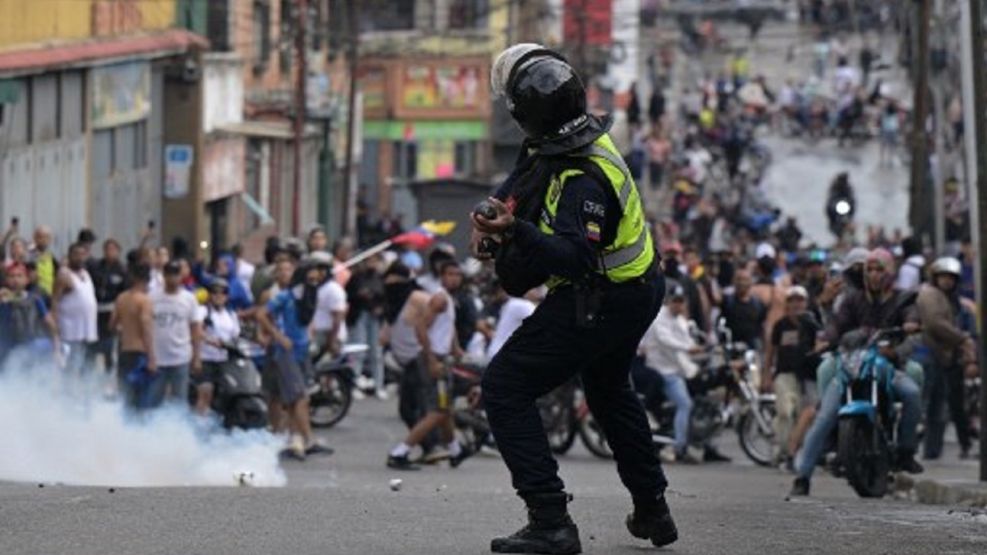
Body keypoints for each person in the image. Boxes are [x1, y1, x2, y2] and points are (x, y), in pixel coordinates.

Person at [471, 43, 677, 553]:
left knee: (504, 385)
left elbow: (573, 258)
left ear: (526, 113)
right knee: (608, 388)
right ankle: (653, 509)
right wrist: (492, 218)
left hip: (607, 294)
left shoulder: (584, 175)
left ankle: (550, 520)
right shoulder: (555, 140)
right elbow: (517, 184)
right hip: (635, 287)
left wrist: (515, 229)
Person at [791, 249, 924, 496]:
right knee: (825, 415)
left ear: (889, 272)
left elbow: (913, 326)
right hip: (851, 366)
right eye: (869, 270)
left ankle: (906, 451)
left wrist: (901, 342)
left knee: (912, 393)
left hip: (887, 367)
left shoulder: (902, 298)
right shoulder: (853, 301)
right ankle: (803, 475)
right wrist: (826, 338)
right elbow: (836, 326)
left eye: (879, 270)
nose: (873, 275)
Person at [386, 260, 472, 470]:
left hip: (442, 357)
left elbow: (448, 327)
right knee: (438, 410)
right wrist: (432, 360)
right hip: (433, 360)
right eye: (450, 274)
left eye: (457, 275)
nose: (454, 278)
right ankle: (400, 452)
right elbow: (421, 327)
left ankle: (455, 450)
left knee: (446, 409)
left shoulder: (448, 300)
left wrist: (456, 349)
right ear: (442, 276)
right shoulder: (439, 299)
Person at [256, 258, 331, 459]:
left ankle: (295, 439)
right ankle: (308, 439)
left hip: (301, 351)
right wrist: (278, 336)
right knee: (299, 397)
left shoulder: (308, 295)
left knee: (295, 400)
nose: (314, 280)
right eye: (311, 276)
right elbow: (261, 314)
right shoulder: (286, 297)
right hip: (285, 353)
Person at [916, 257, 975, 459]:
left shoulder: (954, 300)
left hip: (947, 358)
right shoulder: (930, 295)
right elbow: (935, 324)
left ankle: (938, 450)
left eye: (951, 277)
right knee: (929, 405)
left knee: (946, 406)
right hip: (930, 355)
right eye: (943, 276)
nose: (947, 281)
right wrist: (962, 339)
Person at [638, 286, 702, 464]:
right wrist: (689, 348)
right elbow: (667, 342)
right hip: (663, 371)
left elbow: (687, 340)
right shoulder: (659, 319)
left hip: (678, 368)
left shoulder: (680, 320)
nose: (679, 305)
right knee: (685, 404)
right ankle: (678, 446)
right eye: (676, 301)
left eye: (682, 301)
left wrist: (700, 348)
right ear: (669, 301)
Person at [761, 286, 823, 468]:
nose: (796, 304)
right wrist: (766, 375)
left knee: (803, 415)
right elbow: (771, 351)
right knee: (785, 411)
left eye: (800, 300)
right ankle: (781, 449)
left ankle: (793, 452)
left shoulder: (812, 323)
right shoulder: (781, 325)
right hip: (784, 374)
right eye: (792, 300)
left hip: (806, 376)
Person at [147, 260, 203, 408]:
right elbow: (146, 327)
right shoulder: (152, 297)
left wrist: (197, 356)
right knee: (153, 402)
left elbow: (195, 328)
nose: (172, 279)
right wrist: (149, 355)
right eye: (169, 275)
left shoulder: (189, 299)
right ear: (164, 276)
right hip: (158, 359)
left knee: (179, 402)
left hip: (181, 357)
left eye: (175, 275)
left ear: (181, 276)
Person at [110, 264, 156, 406]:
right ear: (145, 281)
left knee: (126, 397)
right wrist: (152, 358)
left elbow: (112, 325)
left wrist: (125, 328)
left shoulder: (121, 298)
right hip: (140, 353)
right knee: (141, 399)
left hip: (124, 351)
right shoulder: (145, 300)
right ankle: (138, 427)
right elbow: (146, 328)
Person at [194, 278, 242, 416]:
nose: (219, 296)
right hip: (206, 359)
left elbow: (236, 336)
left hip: (225, 360)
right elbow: (197, 330)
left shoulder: (231, 315)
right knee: (205, 393)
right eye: (215, 292)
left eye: (223, 293)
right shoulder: (203, 311)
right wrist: (211, 341)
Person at [0, 263, 60, 368]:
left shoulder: (35, 299)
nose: (15, 280)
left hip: (30, 349)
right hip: (7, 350)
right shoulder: (2, 299)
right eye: (12, 276)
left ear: (26, 280)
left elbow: (51, 325)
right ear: (6, 280)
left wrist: (57, 351)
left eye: (19, 276)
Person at [52, 242, 99, 375]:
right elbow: (55, 301)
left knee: (84, 364)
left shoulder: (85, 273)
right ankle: (67, 393)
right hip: (70, 330)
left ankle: (80, 391)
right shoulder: (64, 275)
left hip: (86, 329)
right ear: (70, 256)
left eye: (82, 255)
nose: (79, 258)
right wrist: (55, 328)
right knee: (70, 365)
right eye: (76, 254)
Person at [345, 255, 387, 397]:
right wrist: (359, 295)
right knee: (358, 351)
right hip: (359, 315)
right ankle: (354, 383)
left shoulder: (380, 278)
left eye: (375, 261)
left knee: (376, 351)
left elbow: (385, 297)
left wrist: (380, 307)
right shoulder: (356, 277)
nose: (372, 264)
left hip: (374, 317)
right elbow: (349, 294)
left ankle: (378, 384)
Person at [88, 239, 127, 375]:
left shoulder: (122, 270)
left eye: (113, 249)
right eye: (107, 249)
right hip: (95, 312)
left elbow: (124, 294)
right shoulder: (95, 267)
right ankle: (89, 375)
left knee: (109, 346)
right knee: (92, 345)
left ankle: (108, 374)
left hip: (111, 312)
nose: (109, 252)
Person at [311, 252, 348, 362]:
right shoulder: (316, 288)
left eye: (321, 269)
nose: (318, 273)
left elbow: (337, 317)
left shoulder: (333, 289)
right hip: (318, 337)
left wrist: (331, 342)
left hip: (330, 337)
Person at [721, 269, 766, 349]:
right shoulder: (726, 302)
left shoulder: (758, 304)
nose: (741, 283)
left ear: (750, 282)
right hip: (732, 347)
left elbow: (762, 327)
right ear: (734, 281)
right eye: (739, 279)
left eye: (745, 280)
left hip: (752, 348)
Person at [28, 226, 58, 297]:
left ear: (50, 239)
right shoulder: (29, 256)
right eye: (40, 237)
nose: (44, 240)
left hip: (50, 295)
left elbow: (57, 274)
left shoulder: (51, 256)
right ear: (35, 238)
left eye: (47, 237)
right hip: (35, 295)